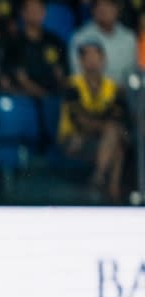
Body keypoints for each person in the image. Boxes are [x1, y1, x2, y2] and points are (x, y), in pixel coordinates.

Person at [58, 41, 129, 203]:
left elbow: (119, 116)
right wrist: (103, 126)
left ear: (104, 60)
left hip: (100, 140)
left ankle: (99, 179)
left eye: (96, 56)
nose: (92, 61)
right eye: (87, 57)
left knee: (115, 139)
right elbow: (80, 121)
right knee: (114, 140)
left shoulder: (114, 88)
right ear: (80, 61)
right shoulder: (72, 85)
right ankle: (112, 192)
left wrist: (102, 126)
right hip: (73, 140)